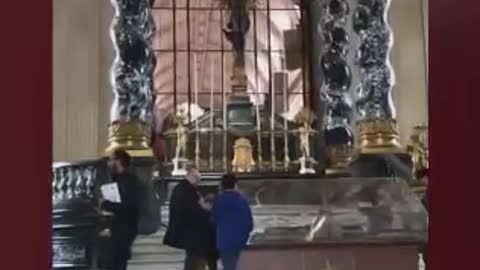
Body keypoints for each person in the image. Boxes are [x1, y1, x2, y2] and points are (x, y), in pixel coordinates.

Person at [163, 168, 217, 270]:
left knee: (193, 258)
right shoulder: (186, 190)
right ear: (193, 177)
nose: (198, 184)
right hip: (192, 232)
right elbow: (193, 210)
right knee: (194, 260)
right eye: (198, 180)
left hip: (189, 231)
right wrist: (206, 209)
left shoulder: (182, 188)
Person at [100, 149, 142, 270]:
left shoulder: (130, 181)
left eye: (112, 159)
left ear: (119, 161)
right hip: (116, 226)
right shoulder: (115, 178)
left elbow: (127, 206)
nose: (109, 162)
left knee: (118, 263)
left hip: (125, 227)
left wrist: (105, 204)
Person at [211, 174, 253, 270]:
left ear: (222, 186)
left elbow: (213, 221)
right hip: (240, 241)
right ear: (235, 185)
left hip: (224, 241)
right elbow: (249, 224)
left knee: (228, 267)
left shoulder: (218, 201)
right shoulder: (242, 200)